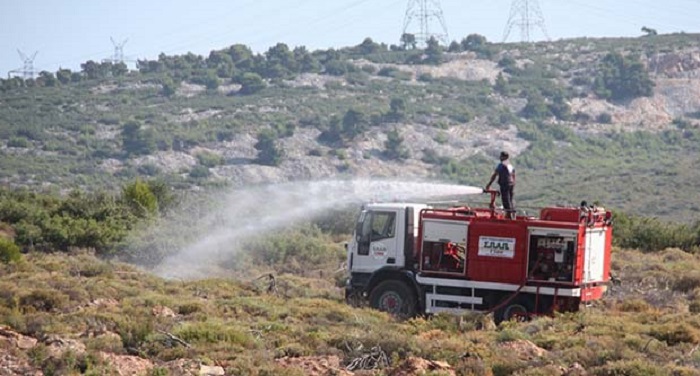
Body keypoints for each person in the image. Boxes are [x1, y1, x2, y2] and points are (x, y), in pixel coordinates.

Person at [485, 151, 516, 218]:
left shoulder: (501, 165)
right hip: (511, 184)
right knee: (510, 200)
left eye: (501, 156)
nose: (500, 158)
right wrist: (513, 183)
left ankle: (509, 217)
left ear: (504, 157)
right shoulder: (510, 165)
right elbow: (513, 175)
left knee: (506, 201)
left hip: (505, 184)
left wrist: (489, 184)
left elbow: (495, 175)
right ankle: (513, 216)